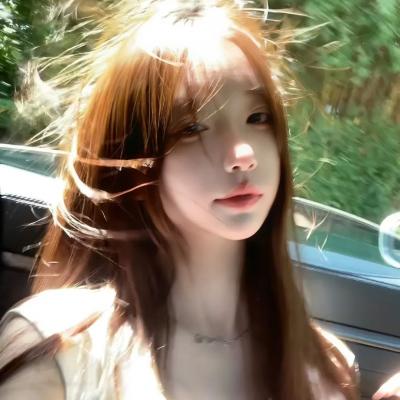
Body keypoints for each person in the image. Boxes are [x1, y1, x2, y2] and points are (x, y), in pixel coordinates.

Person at [0, 1, 359, 399]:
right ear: (131, 159)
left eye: (258, 118)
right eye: (191, 127)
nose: (243, 155)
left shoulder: (326, 368)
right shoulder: (59, 349)